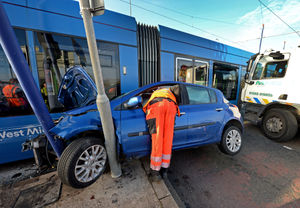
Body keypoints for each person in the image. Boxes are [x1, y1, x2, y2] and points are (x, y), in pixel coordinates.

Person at [143, 85, 181, 181]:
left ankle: (155, 172)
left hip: (157, 106)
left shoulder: (156, 92)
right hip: (171, 107)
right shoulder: (170, 94)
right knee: (168, 139)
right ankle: (164, 171)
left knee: (157, 139)